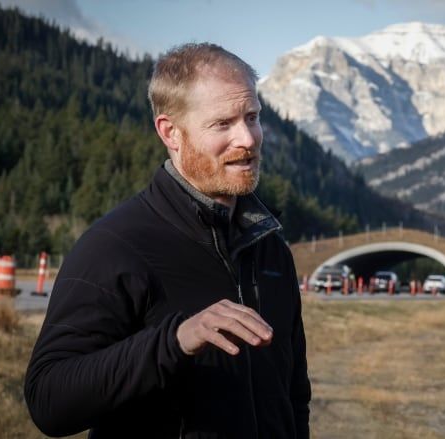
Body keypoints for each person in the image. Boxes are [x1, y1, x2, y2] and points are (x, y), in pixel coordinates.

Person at [24, 43, 311, 438]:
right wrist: (175, 341)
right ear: (170, 132)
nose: (247, 138)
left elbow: (294, 394)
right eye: (222, 124)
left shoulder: (270, 247)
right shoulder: (114, 247)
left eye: (252, 117)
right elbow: (48, 401)